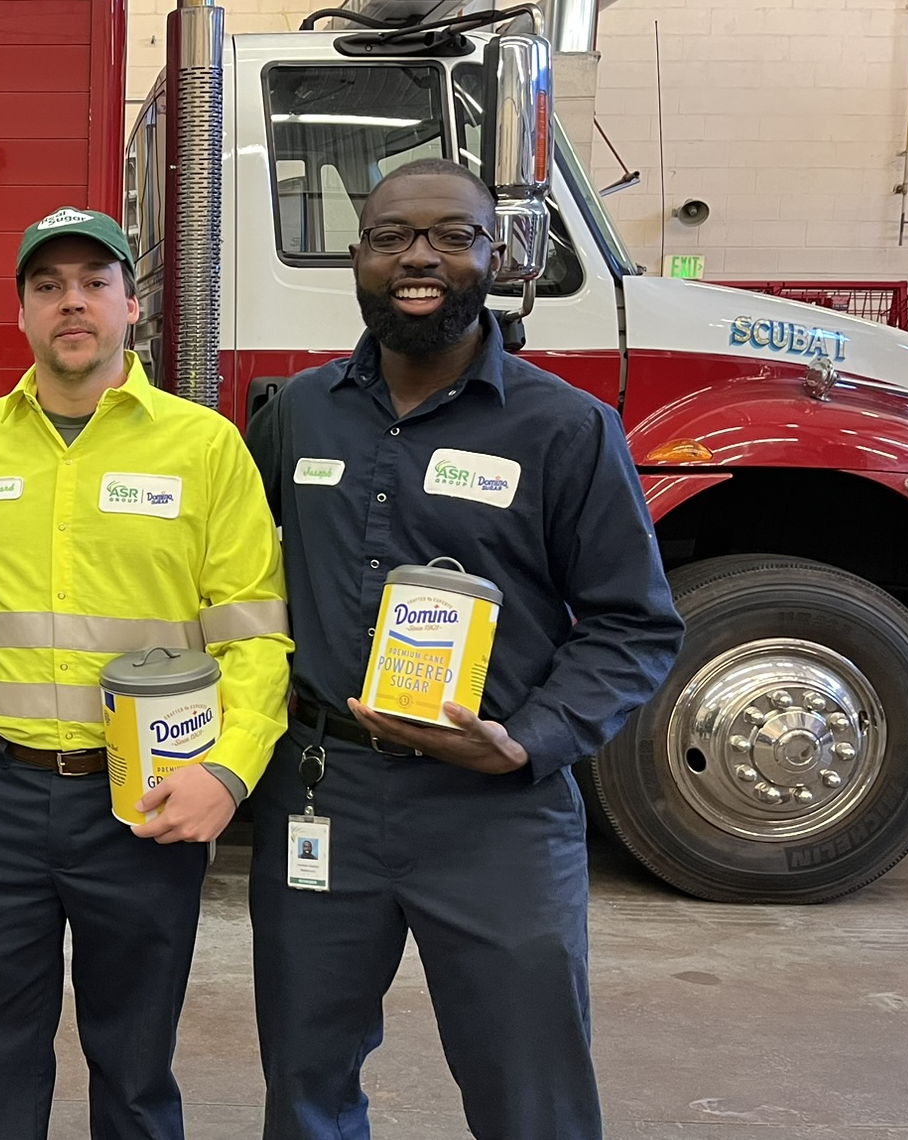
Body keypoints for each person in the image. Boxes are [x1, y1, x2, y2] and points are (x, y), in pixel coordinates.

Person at [244, 157, 684, 1140]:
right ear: (355, 256)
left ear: (496, 257)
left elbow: (634, 624)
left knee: (528, 1094)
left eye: (452, 236)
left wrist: (525, 739)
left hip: (495, 811)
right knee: (303, 1086)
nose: (418, 257)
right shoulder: (296, 416)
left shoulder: (565, 428)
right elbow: (233, 585)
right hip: (323, 795)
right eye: (391, 234)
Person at [0, 206, 293, 1140]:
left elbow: (254, 632)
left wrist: (228, 770)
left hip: (139, 802)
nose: (72, 303)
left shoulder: (204, 447)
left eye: (94, 282)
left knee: (133, 1066)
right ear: (20, 312)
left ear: (133, 306)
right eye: (47, 286)